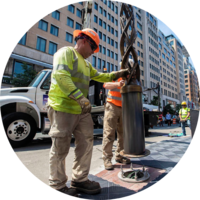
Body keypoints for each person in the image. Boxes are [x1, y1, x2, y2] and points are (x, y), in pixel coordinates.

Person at [47, 28, 130, 197]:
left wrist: (118, 74)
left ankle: (79, 179)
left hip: (80, 110)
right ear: (84, 41)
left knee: (86, 142)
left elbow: (101, 77)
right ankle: (57, 185)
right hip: (62, 107)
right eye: (93, 48)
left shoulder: (86, 64)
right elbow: (61, 76)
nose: (93, 52)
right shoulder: (66, 53)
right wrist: (81, 98)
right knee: (60, 147)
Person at [102, 60, 132, 170]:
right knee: (109, 133)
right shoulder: (116, 75)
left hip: (123, 109)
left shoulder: (130, 80)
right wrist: (117, 84)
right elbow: (106, 84)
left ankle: (120, 155)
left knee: (123, 135)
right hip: (112, 106)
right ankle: (107, 159)